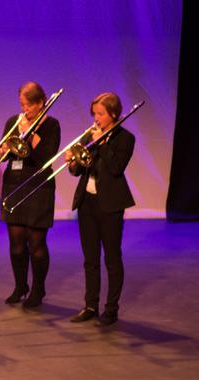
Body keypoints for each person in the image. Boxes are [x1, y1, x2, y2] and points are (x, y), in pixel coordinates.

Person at [67, 92, 136, 326]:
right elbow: (78, 170)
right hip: (87, 203)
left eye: (100, 114)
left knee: (112, 258)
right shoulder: (90, 135)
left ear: (113, 114)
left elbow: (116, 168)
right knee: (90, 258)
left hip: (110, 205)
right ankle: (90, 305)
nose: (95, 118)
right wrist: (73, 162)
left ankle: (111, 308)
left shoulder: (125, 138)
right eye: (94, 113)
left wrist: (103, 142)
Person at [0, 82, 60, 307]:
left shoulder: (51, 125)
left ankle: (38, 289)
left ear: (40, 103)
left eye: (28, 105)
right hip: (14, 185)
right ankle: (20, 285)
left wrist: (31, 132)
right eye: (21, 105)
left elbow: (47, 156)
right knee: (16, 243)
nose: (24, 110)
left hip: (38, 186)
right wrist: (3, 150)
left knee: (36, 243)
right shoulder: (13, 122)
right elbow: (1, 153)